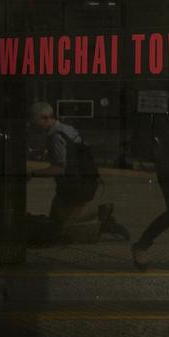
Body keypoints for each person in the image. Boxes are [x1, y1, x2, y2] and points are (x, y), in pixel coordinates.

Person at [28, 101, 129, 242]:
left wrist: (33, 174)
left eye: (35, 121)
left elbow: (59, 169)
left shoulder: (56, 136)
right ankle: (99, 217)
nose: (33, 125)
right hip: (82, 181)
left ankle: (102, 215)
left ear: (45, 118)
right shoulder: (67, 129)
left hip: (74, 186)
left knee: (60, 228)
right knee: (56, 222)